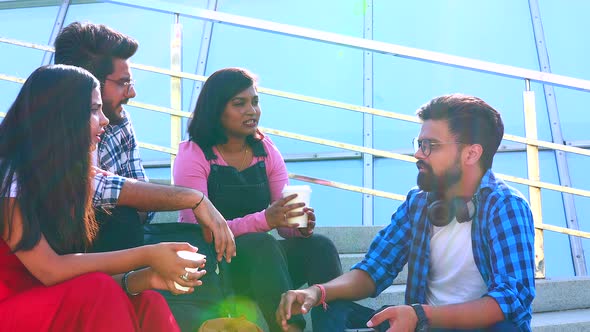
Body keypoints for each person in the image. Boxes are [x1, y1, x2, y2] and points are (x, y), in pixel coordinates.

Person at [276, 94, 536, 332]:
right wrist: (317, 292)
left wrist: (421, 315)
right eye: (419, 143)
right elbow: (374, 269)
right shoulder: (419, 202)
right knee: (332, 305)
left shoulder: (506, 206)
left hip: (467, 325)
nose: (417, 153)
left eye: (430, 145)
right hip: (421, 323)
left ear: (471, 153)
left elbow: (510, 299)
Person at [0, 64, 207, 331]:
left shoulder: (68, 178)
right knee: (96, 290)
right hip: (10, 307)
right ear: (61, 115)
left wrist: (145, 278)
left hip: (47, 299)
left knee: (147, 301)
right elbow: (50, 270)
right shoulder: (10, 174)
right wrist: (149, 254)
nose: (105, 119)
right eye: (93, 110)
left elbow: (67, 280)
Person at [173, 67, 343, 332]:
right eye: (239, 104)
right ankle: (291, 328)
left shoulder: (266, 150)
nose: (251, 110)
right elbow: (197, 233)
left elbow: (284, 226)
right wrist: (265, 219)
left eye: (255, 102)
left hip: (263, 267)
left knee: (320, 247)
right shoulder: (193, 154)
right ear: (216, 109)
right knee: (260, 243)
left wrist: (298, 226)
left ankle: (333, 328)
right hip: (214, 269)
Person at [53, 21, 236, 261]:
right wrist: (193, 198)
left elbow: (138, 195)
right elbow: (92, 186)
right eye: (123, 83)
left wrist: (129, 198)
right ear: (87, 83)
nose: (132, 93)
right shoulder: (48, 125)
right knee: (119, 219)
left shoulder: (117, 119)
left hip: (116, 237)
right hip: (63, 249)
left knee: (195, 244)